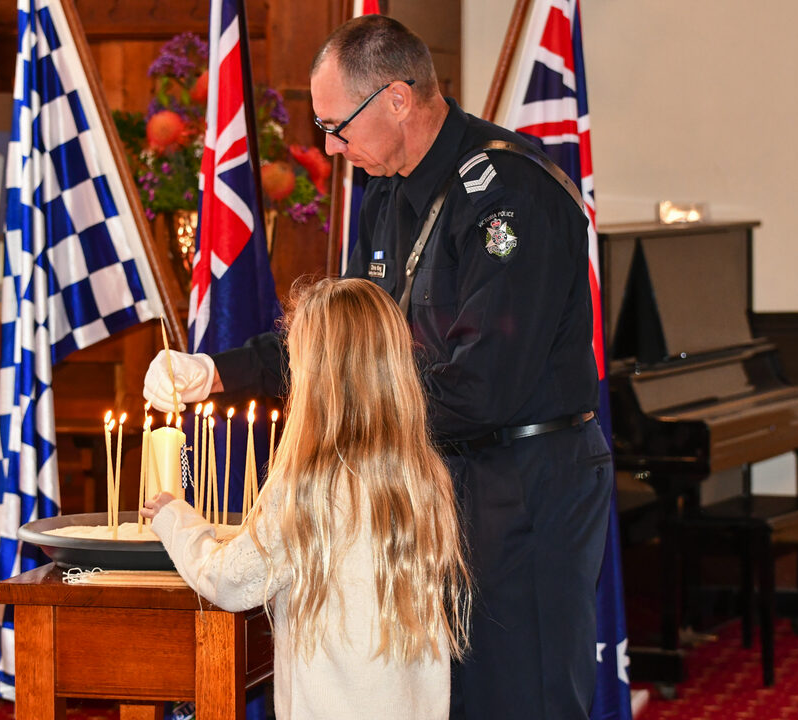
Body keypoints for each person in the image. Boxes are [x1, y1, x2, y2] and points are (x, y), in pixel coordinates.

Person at [144, 15, 613, 720]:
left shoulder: (507, 196)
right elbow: (346, 344)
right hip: (429, 483)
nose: (331, 148)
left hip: (522, 484)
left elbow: (485, 387)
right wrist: (215, 371)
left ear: (397, 98)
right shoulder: (388, 193)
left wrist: (338, 435)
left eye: (337, 127)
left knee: (521, 697)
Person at [141, 278, 471, 720]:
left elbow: (231, 580)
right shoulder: (425, 475)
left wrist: (175, 519)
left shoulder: (311, 485)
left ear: (317, 379)